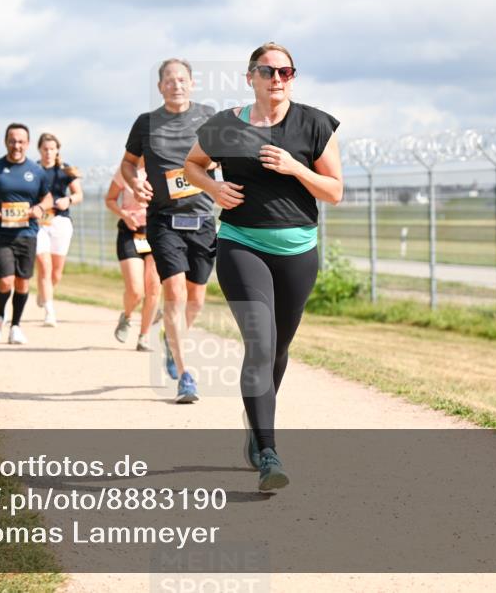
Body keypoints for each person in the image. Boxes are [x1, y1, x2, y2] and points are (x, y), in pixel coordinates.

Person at [185, 42, 343, 492]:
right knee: (259, 343)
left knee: (278, 349)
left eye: (285, 72)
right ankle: (269, 452)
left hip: (298, 250)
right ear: (250, 77)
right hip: (242, 244)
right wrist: (213, 188)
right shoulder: (225, 125)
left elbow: (334, 191)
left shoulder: (315, 124)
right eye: (267, 71)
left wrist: (296, 168)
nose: (277, 79)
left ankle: (256, 422)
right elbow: (191, 165)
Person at [121, 58, 216, 404]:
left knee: (196, 300)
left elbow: (226, 155)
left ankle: (170, 339)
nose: (176, 85)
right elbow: (128, 163)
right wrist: (135, 183)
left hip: (202, 219)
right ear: (160, 86)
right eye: (169, 80)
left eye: (182, 79)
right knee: (174, 293)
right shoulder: (146, 123)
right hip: (163, 220)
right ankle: (185, 374)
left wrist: (216, 161)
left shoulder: (208, 116)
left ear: (192, 83)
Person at [0, 123, 52, 345]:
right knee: (6, 280)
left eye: (21, 142)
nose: (16, 146)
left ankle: (15, 326)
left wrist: (40, 208)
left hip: (27, 233)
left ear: (28, 143)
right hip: (0, 233)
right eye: (12, 141)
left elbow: (48, 198)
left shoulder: (37, 171)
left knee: (22, 283)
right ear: (6, 142)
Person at [105, 157, 160, 351]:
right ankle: (127, 316)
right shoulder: (126, 171)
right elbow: (110, 199)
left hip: (157, 232)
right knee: (136, 291)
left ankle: (144, 336)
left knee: (153, 288)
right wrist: (125, 215)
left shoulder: (163, 167)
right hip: (131, 232)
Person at [34, 132, 83, 327]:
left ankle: (44, 293)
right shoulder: (33, 170)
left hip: (60, 222)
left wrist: (68, 200)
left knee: (56, 273)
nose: (48, 152)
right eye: (45, 149)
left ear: (57, 150)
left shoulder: (65, 170)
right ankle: (49, 312)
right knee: (44, 267)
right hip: (39, 223)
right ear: (39, 150)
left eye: (52, 149)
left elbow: (79, 194)